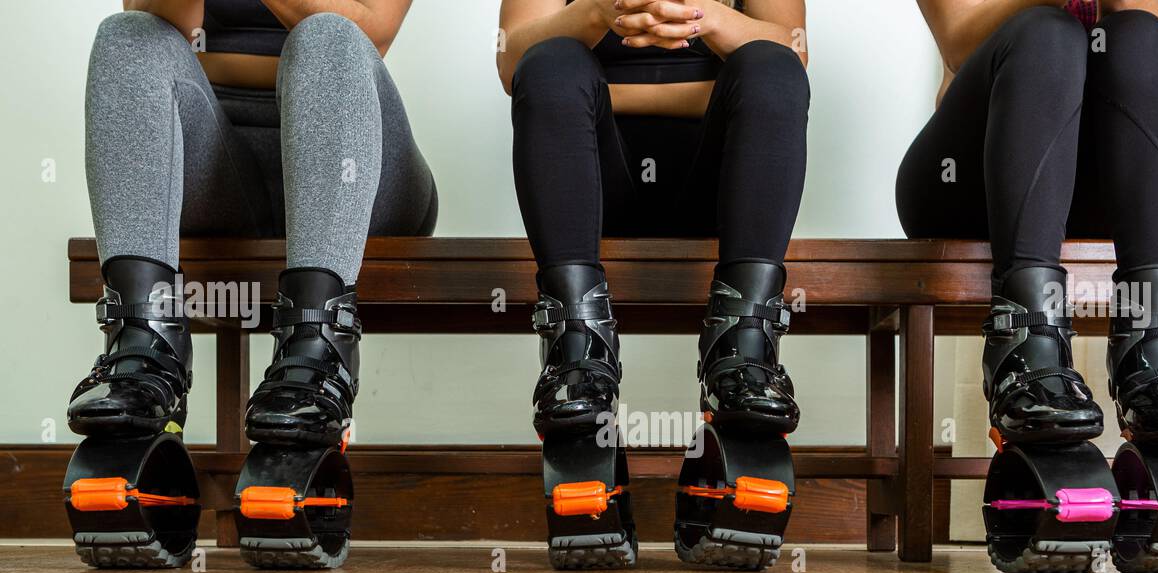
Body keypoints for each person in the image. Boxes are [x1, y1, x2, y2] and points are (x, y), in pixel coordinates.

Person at [68, 0, 437, 450]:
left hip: (352, 162)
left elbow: (373, 30)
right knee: (128, 34)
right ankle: (145, 344)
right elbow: (167, 20)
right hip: (224, 167)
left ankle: (318, 348)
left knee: (327, 35)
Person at [896, 0, 1158, 447]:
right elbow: (959, 39)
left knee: (1139, 34)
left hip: (1099, 187)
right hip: (969, 184)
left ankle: (1153, 347)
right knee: (1047, 31)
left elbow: (1149, 17)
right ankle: (1026, 350)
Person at [497, 0, 810, 444]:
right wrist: (600, 12)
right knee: (551, 62)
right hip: (587, 195)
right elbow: (513, 63)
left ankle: (745, 348)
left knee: (770, 65)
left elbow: (793, 53)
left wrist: (703, 16)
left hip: (725, 197)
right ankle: (577, 350)